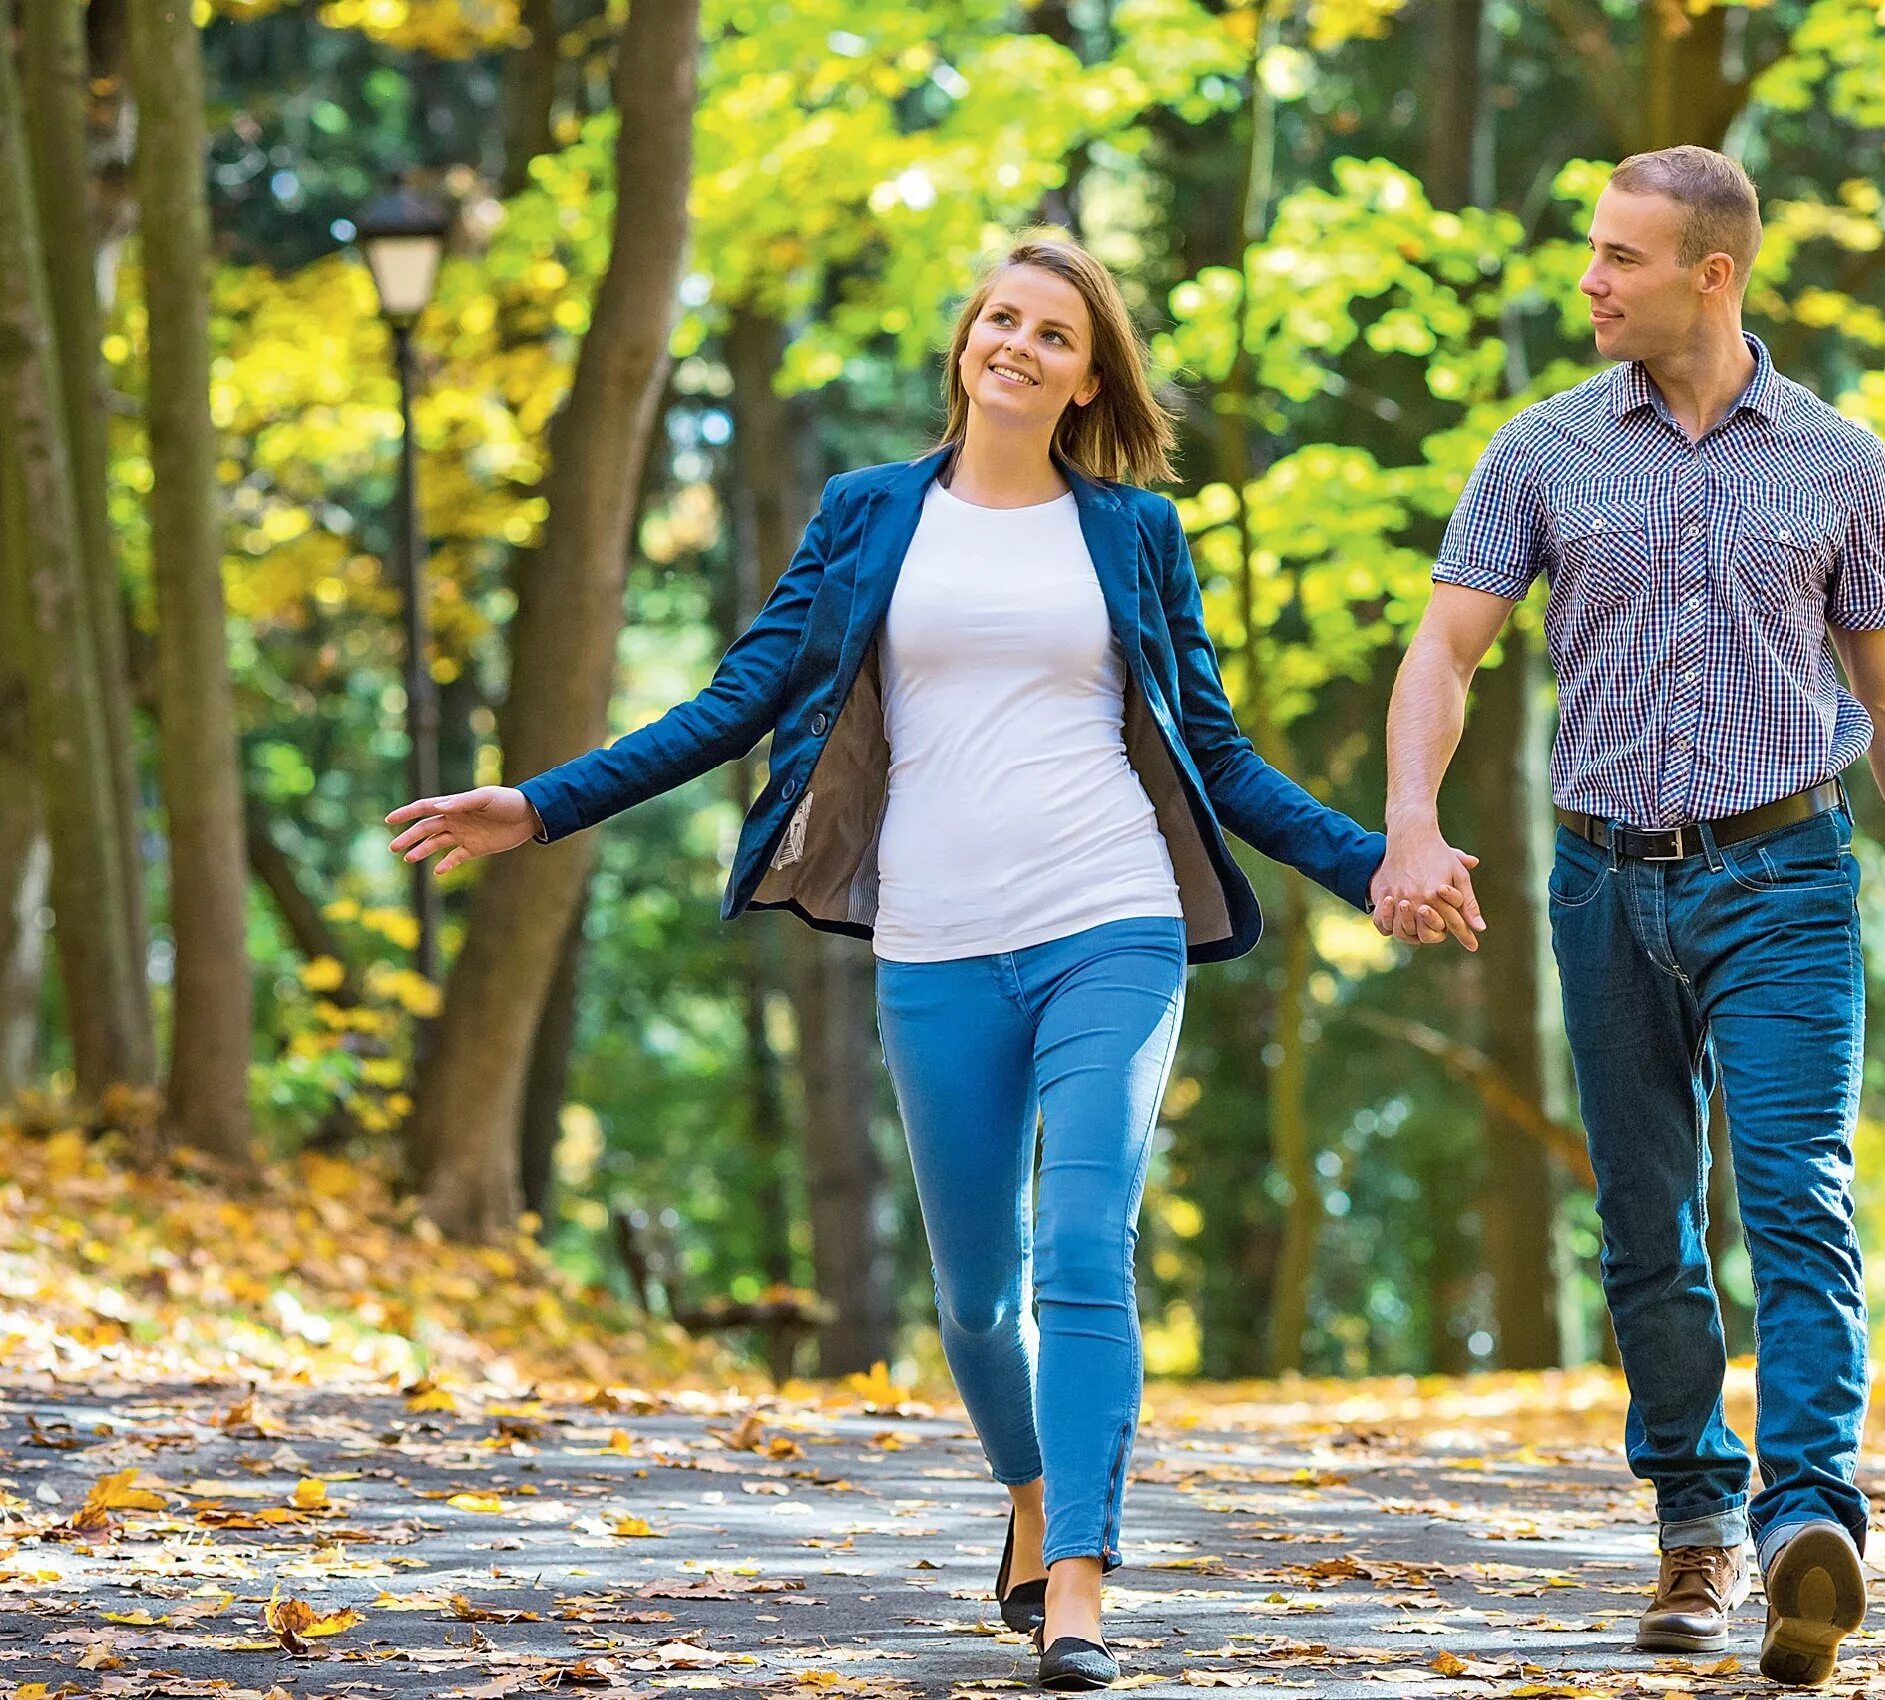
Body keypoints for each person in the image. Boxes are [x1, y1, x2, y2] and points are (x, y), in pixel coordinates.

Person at [387, 235, 1460, 1692]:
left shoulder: (1132, 534)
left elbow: (1214, 757)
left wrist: (1374, 861)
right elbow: (737, 698)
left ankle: (1076, 1582)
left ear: (1089, 381)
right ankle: (1030, 1490)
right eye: (1000, 319)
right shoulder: (868, 515)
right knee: (973, 1302)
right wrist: (541, 804)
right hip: (938, 942)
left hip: (1110, 919)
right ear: (966, 343)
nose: (1018, 344)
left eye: (1055, 334)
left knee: (1085, 1248)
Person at [1372, 147, 1885, 1688]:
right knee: (1644, 1228)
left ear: (1709, 274)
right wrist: (1408, 822)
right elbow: (1445, 654)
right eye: (1591, 253)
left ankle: (1808, 1529)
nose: (1589, 279)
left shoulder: (1836, 462)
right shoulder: (1540, 451)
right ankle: (1696, 1529)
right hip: (1599, 883)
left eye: (1617, 258)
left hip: (1784, 876)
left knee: (1798, 1199)